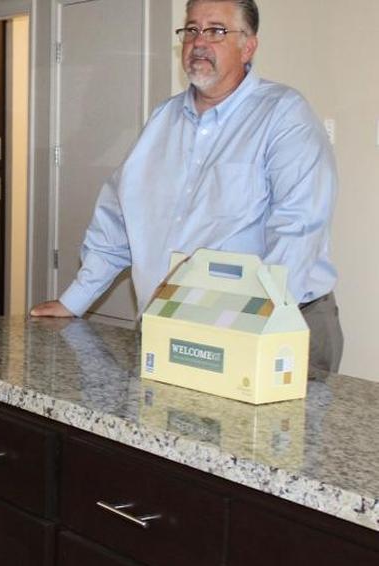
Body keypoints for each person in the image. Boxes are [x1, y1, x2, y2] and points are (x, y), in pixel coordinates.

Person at [30, 0, 343, 374]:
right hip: (176, 326)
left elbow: (297, 228)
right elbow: (117, 217)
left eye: (216, 30)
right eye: (191, 29)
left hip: (274, 327)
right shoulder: (163, 120)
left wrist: (254, 326)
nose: (198, 42)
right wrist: (75, 300)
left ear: (248, 46)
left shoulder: (284, 116)